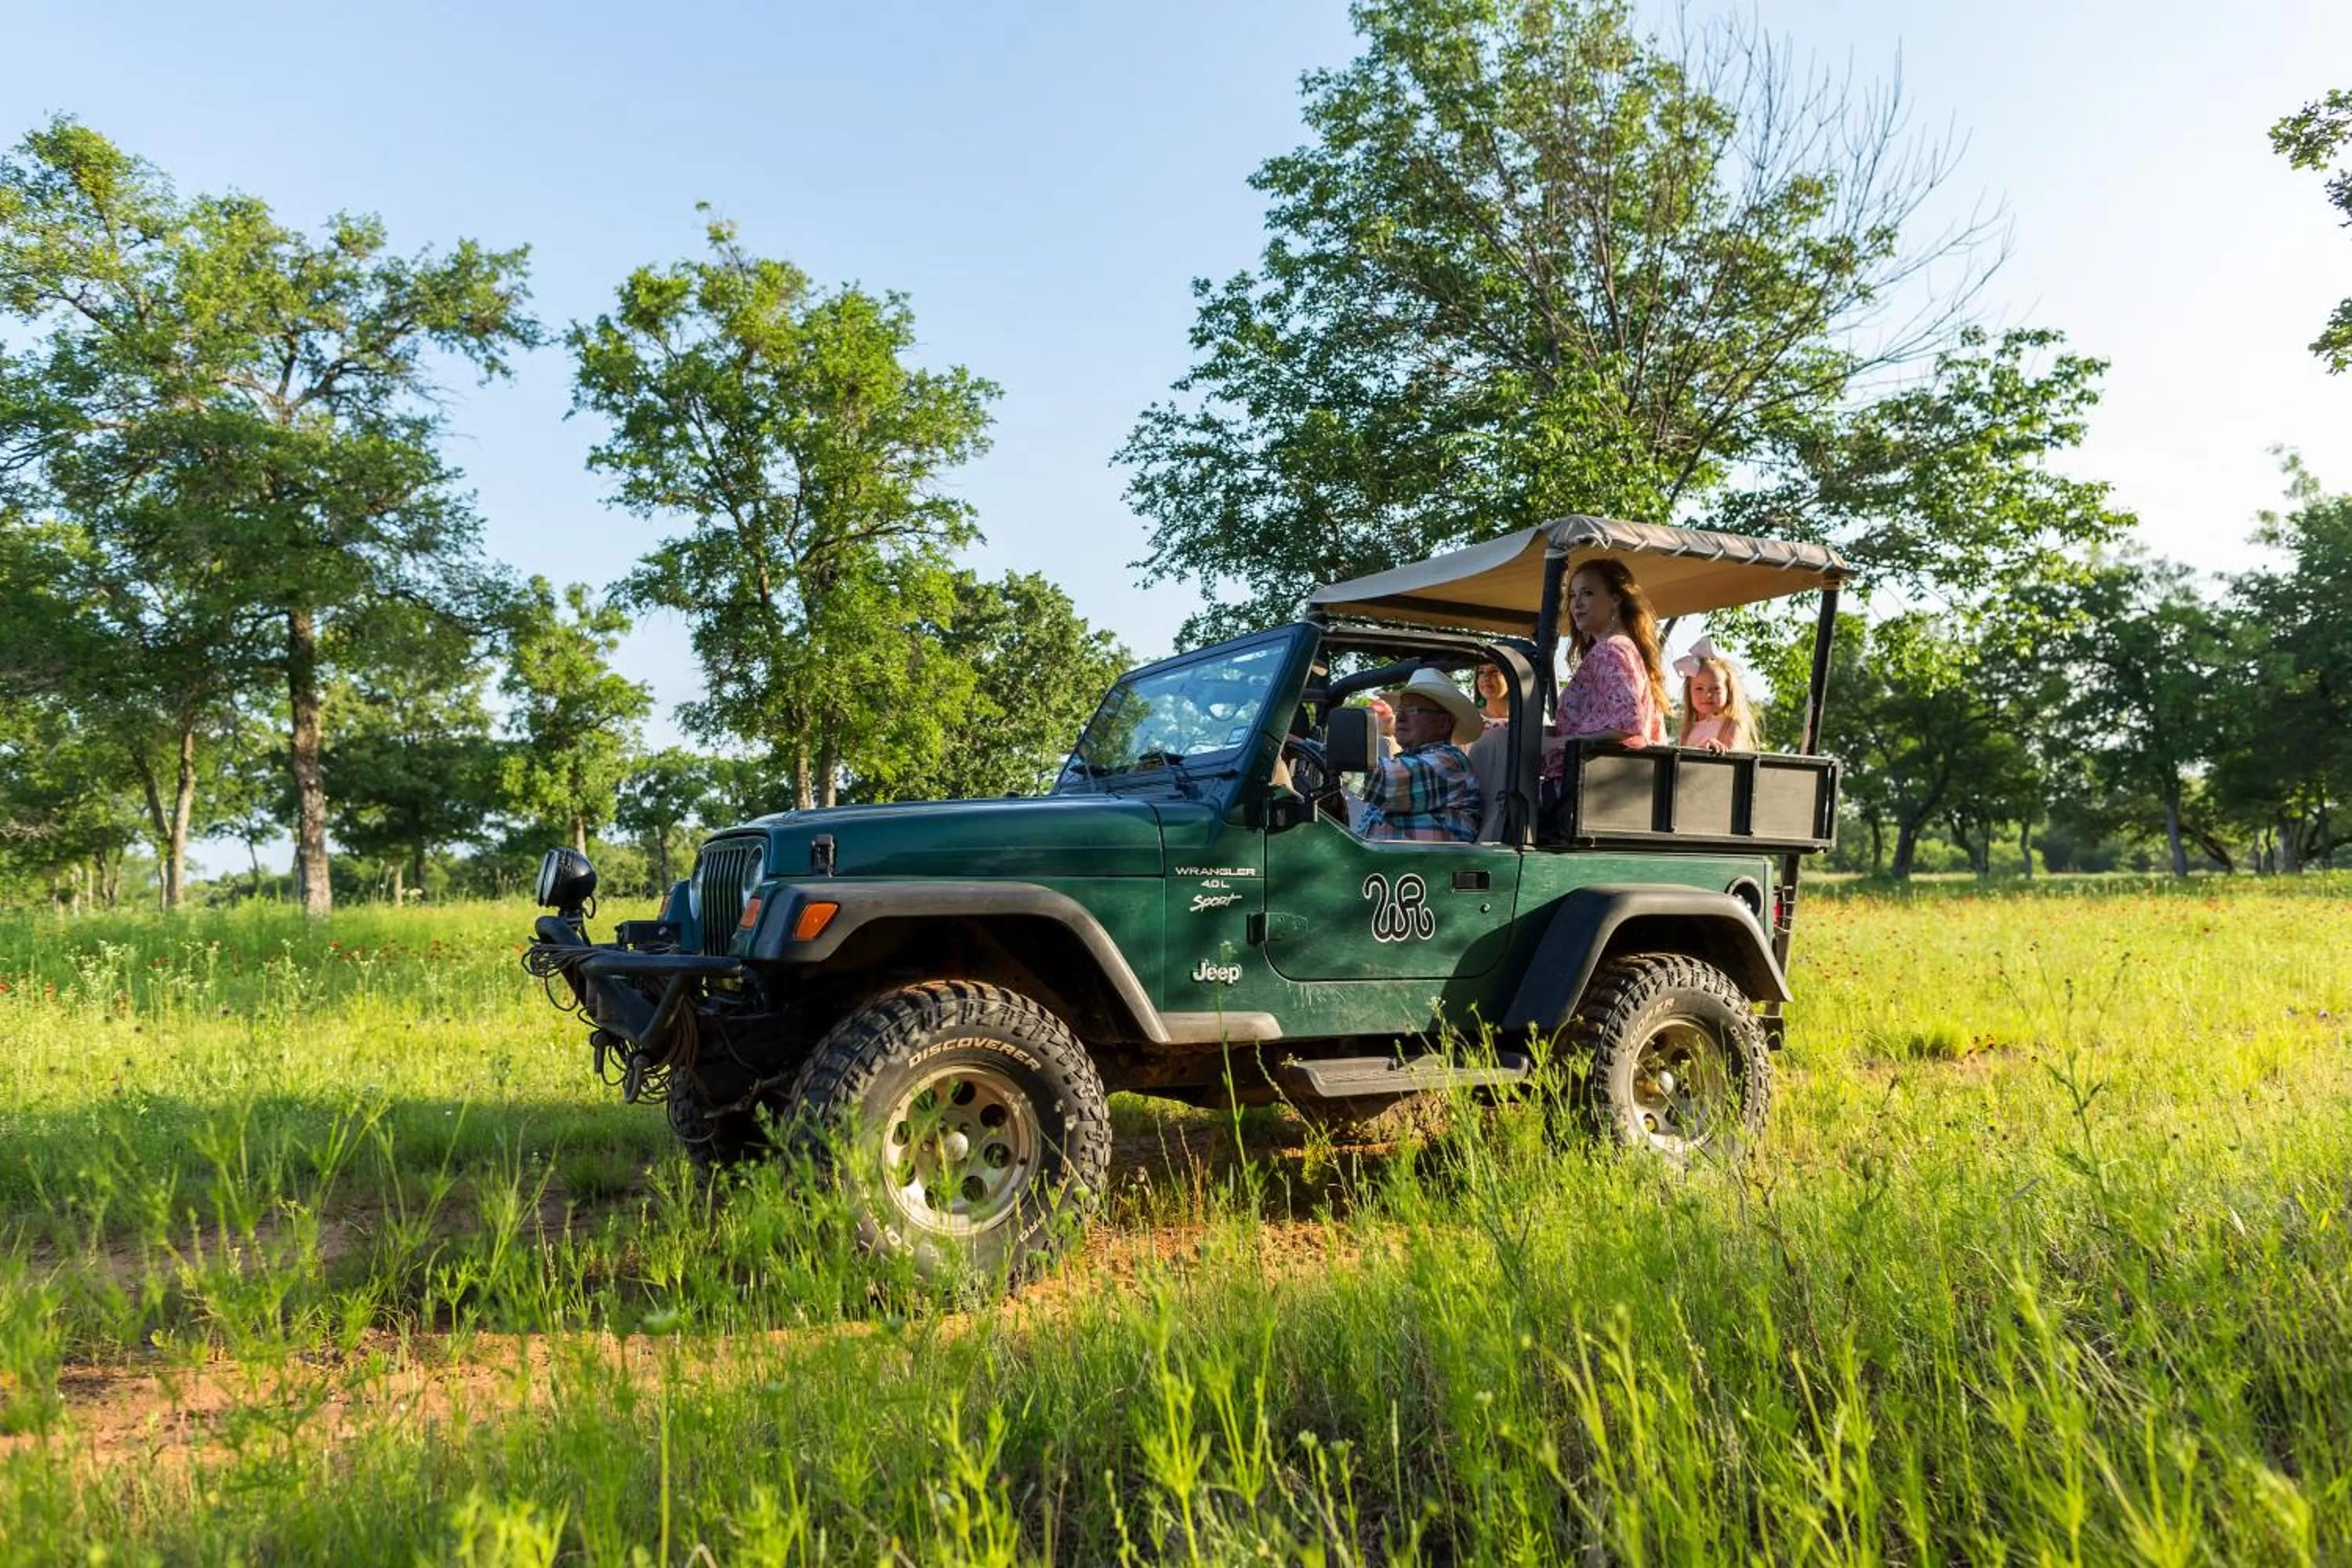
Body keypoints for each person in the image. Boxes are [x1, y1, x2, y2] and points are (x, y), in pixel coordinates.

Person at [1544, 560, 1670, 784]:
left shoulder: (1612, 650)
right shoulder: (1622, 648)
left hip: (1589, 789)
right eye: (1572, 596)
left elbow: (1623, 726)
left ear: (1615, 599)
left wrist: (1555, 744)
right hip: (1607, 785)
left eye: (1588, 593)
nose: (1576, 604)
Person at [1359, 669, 1483, 842]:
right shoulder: (1407, 762)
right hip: (1389, 865)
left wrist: (1331, 759)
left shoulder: (1449, 762)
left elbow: (1382, 783)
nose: (1400, 717)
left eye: (1413, 710)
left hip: (1426, 867)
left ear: (1443, 722)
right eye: (1400, 709)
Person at [1674, 637, 1762, 753]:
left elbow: (1730, 760)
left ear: (1729, 692)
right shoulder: (1688, 728)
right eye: (1699, 688)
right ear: (1689, 692)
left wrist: (1715, 747)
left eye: (1716, 688)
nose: (1707, 695)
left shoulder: (1731, 724)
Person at [1474, 661, 1510, 730]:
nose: (1486, 677)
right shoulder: (1469, 719)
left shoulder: (1527, 719)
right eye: (1481, 672)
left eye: (1494, 671)